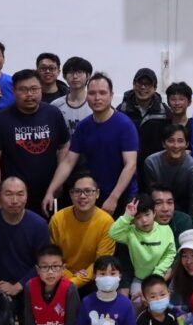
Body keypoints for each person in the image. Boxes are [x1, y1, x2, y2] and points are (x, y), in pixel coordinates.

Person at [43, 72, 138, 216]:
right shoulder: (83, 126)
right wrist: (51, 190)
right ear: (87, 96)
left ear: (111, 96)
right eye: (92, 93)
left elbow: (130, 165)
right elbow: (68, 161)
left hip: (123, 197)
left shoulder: (125, 125)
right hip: (95, 195)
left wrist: (114, 197)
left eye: (102, 93)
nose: (97, 98)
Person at [0, 69, 70, 215]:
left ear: (41, 89)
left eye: (34, 89)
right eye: (23, 90)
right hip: (13, 194)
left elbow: (64, 146)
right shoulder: (1, 119)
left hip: (47, 190)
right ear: (13, 91)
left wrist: (58, 181)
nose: (29, 94)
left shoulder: (53, 113)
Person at [0, 177, 49, 303]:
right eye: (8, 194)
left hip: (30, 285)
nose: (15, 201)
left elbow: (44, 263)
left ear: (26, 197)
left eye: (20, 194)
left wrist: (18, 287)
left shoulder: (39, 225)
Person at [47, 175, 116, 291]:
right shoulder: (58, 219)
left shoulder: (107, 222)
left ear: (97, 193)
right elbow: (52, 256)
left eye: (88, 191)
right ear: (71, 194)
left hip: (93, 278)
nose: (82, 196)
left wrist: (75, 282)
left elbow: (101, 261)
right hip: (61, 276)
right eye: (77, 191)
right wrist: (70, 278)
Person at [108, 194, 176, 303]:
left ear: (154, 213)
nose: (144, 220)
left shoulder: (165, 230)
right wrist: (127, 216)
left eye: (147, 214)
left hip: (159, 277)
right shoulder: (130, 232)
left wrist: (158, 273)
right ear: (133, 220)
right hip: (139, 279)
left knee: (158, 302)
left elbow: (170, 253)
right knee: (137, 301)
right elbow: (112, 234)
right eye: (138, 217)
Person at [144, 124, 193, 223]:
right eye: (171, 141)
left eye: (180, 141)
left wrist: (189, 231)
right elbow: (151, 198)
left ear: (187, 144)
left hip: (184, 217)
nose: (176, 146)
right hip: (157, 216)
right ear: (164, 143)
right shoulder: (151, 162)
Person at [117, 67, 171, 176]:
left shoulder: (164, 112)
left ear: (155, 88)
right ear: (133, 85)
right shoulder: (122, 109)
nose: (143, 87)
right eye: (139, 83)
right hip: (126, 166)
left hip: (155, 167)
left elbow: (168, 140)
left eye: (148, 84)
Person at [52, 56, 93, 141]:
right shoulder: (55, 105)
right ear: (64, 76)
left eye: (79, 72)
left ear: (88, 75)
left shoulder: (96, 103)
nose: (75, 76)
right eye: (70, 72)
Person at [165, 81, 193, 145]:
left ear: (189, 102)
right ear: (168, 102)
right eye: (173, 99)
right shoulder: (163, 126)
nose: (177, 103)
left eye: (181, 99)